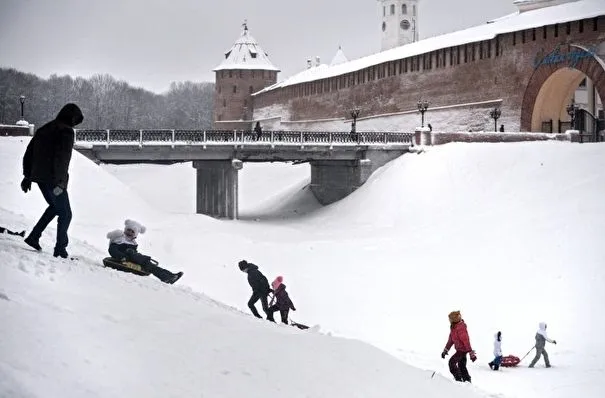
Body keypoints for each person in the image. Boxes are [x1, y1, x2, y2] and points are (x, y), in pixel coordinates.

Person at [21, 103, 83, 258]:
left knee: (55, 208)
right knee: (66, 214)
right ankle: (60, 249)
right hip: (54, 180)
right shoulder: (66, 132)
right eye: (76, 120)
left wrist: (27, 176)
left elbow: (29, 153)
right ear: (72, 117)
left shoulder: (44, 129)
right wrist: (61, 183)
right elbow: (62, 159)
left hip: (40, 178)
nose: (75, 124)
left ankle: (34, 237)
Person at [106, 219, 183, 284]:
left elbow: (134, 255)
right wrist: (121, 256)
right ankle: (167, 277)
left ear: (135, 234)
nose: (129, 232)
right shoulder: (119, 239)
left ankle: (169, 276)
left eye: (132, 232)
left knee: (149, 265)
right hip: (123, 258)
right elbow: (112, 249)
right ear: (125, 230)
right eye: (128, 230)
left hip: (132, 258)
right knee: (143, 260)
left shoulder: (133, 243)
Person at [441, 311, 477, 383]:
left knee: (452, 362)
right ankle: (466, 380)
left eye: (450, 319)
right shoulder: (453, 328)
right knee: (462, 366)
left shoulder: (461, 328)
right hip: (459, 350)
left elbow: (466, 341)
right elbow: (450, 341)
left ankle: (458, 379)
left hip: (462, 350)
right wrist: (445, 350)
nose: (449, 321)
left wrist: (471, 353)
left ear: (454, 319)